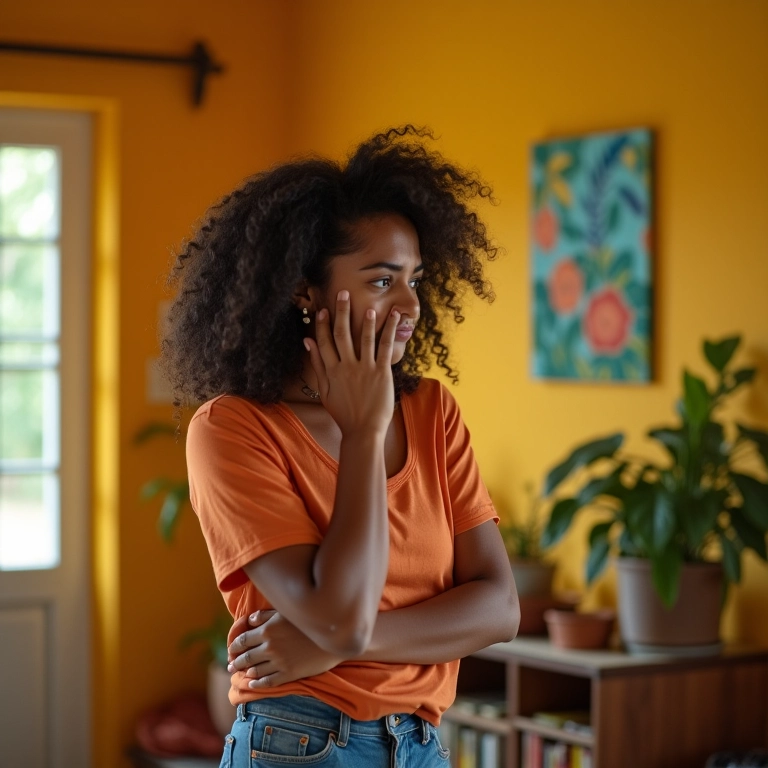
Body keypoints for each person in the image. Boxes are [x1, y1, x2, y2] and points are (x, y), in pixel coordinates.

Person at [162, 125, 520, 768]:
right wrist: (363, 431)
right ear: (306, 290)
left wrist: (334, 646)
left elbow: (498, 607)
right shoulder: (232, 429)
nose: (410, 303)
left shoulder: (432, 410)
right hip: (296, 743)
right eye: (383, 280)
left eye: (415, 278)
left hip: (419, 745)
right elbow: (338, 615)